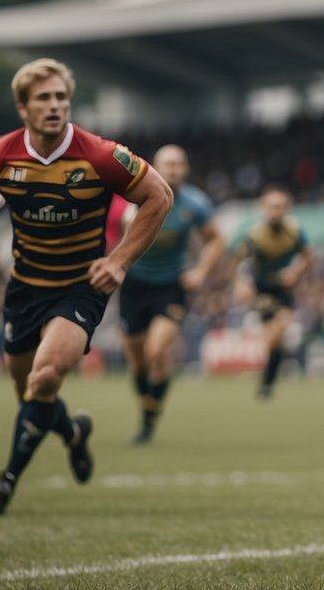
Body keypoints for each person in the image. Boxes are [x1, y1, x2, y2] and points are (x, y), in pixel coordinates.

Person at [0, 58, 171, 515]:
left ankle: (6, 482)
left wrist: (119, 261)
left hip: (81, 289)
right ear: (22, 108)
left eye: (61, 97)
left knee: (46, 376)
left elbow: (159, 195)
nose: (55, 106)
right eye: (43, 98)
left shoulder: (101, 154)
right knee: (31, 395)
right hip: (24, 290)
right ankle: (73, 433)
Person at [118, 144, 224, 444]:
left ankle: (149, 420)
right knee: (138, 361)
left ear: (186, 169)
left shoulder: (196, 203)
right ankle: (147, 411)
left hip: (171, 284)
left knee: (156, 351)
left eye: (179, 164)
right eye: (168, 164)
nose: (174, 169)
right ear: (155, 166)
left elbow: (217, 240)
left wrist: (201, 271)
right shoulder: (136, 194)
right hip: (134, 283)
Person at [232, 184, 312, 399]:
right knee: (272, 341)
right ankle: (267, 384)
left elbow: (308, 257)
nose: (276, 211)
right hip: (263, 290)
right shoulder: (255, 234)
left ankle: (266, 383)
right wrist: (242, 283)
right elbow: (239, 262)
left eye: (280, 207)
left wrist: (295, 272)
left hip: (284, 290)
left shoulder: (294, 231)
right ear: (263, 207)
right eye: (272, 206)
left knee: (281, 330)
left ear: (287, 208)